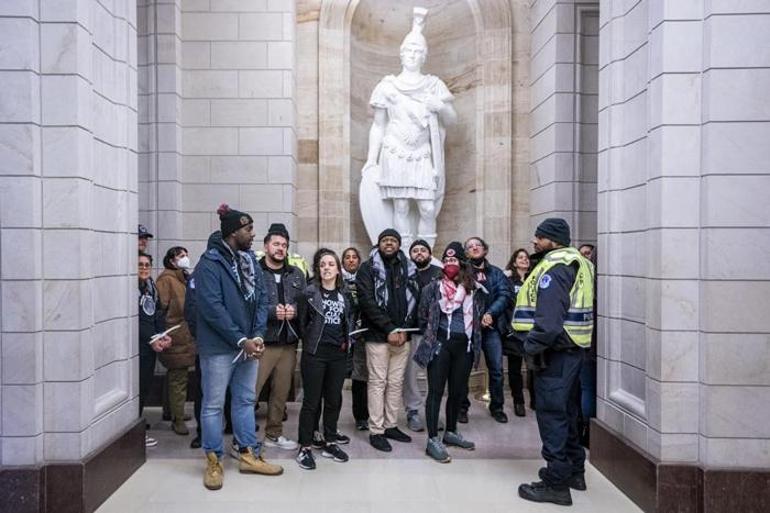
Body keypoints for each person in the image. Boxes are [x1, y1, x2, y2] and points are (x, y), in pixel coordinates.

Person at [196, 204, 282, 491]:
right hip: (220, 347)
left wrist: (257, 336)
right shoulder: (210, 263)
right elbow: (211, 308)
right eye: (248, 229)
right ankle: (213, 460)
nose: (253, 234)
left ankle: (247, 455)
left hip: (248, 345)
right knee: (213, 405)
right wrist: (239, 339)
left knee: (245, 400)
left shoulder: (250, 262)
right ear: (234, 232)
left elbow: (261, 301)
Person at [514, 218, 595, 506]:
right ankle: (574, 471)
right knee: (569, 411)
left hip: (555, 350)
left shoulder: (556, 267)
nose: (535, 241)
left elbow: (548, 323)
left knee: (552, 415)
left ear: (553, 240)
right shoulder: (580, 263)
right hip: (574, 348)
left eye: (540, 237)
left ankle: (556, 483)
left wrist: (531, 347)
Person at [360, 7, 456, 250]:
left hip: (422, 152)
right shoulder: (388, 86)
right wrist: (371, 160)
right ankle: (402, 253)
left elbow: (452, 119)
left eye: (418, 51)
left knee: (426, 206)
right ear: (401, 54)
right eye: (409, 50)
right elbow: (378, 126)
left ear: (424, 56)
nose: (413, 55)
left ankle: (424, 254)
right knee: (401, 205)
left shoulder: (433, 85)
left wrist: (439, 107)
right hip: (394, 150)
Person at [415, 242, 487, 462]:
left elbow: (479, 313)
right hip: (440, 345)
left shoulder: (473, 288)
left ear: (462, 263)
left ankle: (451, 432)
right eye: (446, 261)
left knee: (457, 391)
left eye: (454, 261)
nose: (449, 264)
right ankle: (432, 439)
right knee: (435, 391)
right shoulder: (432, 288)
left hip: (464, 346)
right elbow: (422, 315)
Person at [356, 228, 420, 452]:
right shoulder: (367, 268)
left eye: (393, 240)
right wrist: (390, 328)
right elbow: (367, 301)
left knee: (395, 384)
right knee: (377, 383)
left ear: (399, 244)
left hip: (403, 336)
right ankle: (376, 430)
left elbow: (416, 298)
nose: (389, 243)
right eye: (385, 240)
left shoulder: (408, 267)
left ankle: (391, 424)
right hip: (377, 336)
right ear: (379, 244)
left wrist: (403, 330)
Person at [295, 249, 355, 470]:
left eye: (331, 264)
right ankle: (305, 447)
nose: (327, 267)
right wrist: (311, 341)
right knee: (311, 402)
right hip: (315, 354)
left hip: (337, 355)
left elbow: (348, 320)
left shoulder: (345, 294)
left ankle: (330, 441)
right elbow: (302, 324)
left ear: (338, 269)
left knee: (333, 400)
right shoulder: (309, 293)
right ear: (318, 270)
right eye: (323, 265)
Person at [255, 223, 306, 451]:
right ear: (266, 246)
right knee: (251, 393)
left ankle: (274, 434)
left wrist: (295, 309)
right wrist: (270, 311)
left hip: (289, 343)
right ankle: (243, 438)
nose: (280, 248)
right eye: (276, 244)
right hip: (263, 342)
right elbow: (248, 304)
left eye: (284, 245)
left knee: (280, 393)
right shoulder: (254, 272)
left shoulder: (296, 274)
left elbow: (306, 303)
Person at [460, 237, 512, 424]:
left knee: (496, 370)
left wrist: (490, 313)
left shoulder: (496, 273)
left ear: (485, 250)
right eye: (470, 246)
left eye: (477, 245)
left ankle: (497, 407)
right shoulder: (461, 272)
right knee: (462, 371)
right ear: (466, 252)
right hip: (467, 330)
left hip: (491, 329)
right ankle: (462, 408)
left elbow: (505, 294)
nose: (474, 248)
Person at [155, 246, 197, 436]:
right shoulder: (166, 280)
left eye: (186, 255)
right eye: (181, 256)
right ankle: (177, 419)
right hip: (174, 334)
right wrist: (163, 332)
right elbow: (161, 309)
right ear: (172, 261)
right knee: (178, 378)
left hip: (184, 335)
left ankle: (171, 411)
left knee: (175, 376)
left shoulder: (184, 278)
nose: (185, 259)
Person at [404, 239, 443, 432]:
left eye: (423, 250)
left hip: (434, 332)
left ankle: (432, 411)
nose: (419, 253)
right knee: (411, 374)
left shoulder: (439, 273)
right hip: (412, 332)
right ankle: (412, 411)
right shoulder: (406, 273)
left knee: (434, 374)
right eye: (415, 251)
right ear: (410, 255)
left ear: (429, 253)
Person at [137, 252, 171, 447]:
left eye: (147, 264)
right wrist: (151, 338)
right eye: (140, 265)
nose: (144, 268)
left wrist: (162, 334)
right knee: (138, 389)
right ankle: (135, 432)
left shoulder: (151, 287)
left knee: (145, 386)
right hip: (138, 347)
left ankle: (139, 425)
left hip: (151, 347)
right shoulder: (130, 288)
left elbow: (157, 314)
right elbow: (134, 320)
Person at [343, 247, 370, 431]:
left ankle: (361, 417)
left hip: (360, 336)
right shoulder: (337, 280)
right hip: (341, 336)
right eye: (347, 257)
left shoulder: (366, 280)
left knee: (360, 379)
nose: (351, 260)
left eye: (354, 257)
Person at [503, 248, 531, 417]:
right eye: (520, 257)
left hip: (532, 331)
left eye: (526, 257)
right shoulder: (508, 280)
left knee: (533, 368)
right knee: (515, 369)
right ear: (514, 262)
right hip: (514, 332)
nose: (524, 260)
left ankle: (535, 400)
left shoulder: (535, 278)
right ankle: (518, 401)